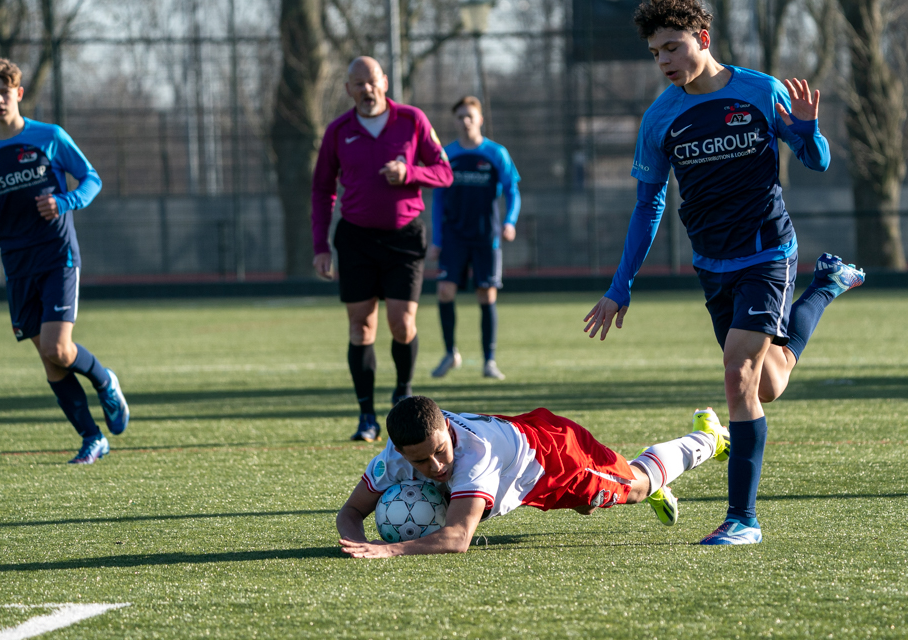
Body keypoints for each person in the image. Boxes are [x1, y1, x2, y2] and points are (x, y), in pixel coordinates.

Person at [582, 0, 865, 545]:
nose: (663, 59)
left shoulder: (760, 90)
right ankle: (827, 286)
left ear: (703, 39)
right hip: (712, 264)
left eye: (672, 46)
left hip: (768, 253)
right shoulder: (660, 118)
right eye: (655, 52)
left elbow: (817, 160)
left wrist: (807, 131)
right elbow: (648, 207)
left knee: (738, 376)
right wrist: (621, 287)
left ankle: (743, 520)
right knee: (767, 383)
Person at [0, 59, 128, 464]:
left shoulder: (49, 137)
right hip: (16, 261)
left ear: (19, 93)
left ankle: (105, 380)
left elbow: (91, 179)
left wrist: (64, 201)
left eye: (5, 90)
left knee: (58, 347)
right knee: (49, 359)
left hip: (57, 254)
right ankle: (92, 438)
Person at [337, 396, 730, 557]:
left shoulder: (476, 457)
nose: (437, 466)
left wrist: (388, 549)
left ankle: (709, 437)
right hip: (516, 452)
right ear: (401, 452)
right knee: (587, 506)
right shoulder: (394, 457)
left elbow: (457, 539)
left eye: (441, 451)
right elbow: (351, 511)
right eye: (422, 462)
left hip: (553, 457)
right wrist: (356, 545)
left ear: (445, 429)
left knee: (637, 487)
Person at [312, 57, 453, 443]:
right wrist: (320, 245)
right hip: (355, 240)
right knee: (361, 326)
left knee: (402, 323)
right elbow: (322, 189)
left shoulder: (412, 120)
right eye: (357, 83)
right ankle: (366, 417)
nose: (366, 89)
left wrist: (411, 173)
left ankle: (402, 395)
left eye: (372, 81)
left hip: (404, 238)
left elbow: (444, 172)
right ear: (348, 90)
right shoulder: (338, 131)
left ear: (384, 82)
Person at [428, 96, 521, 381]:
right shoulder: (447, 155)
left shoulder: (496, 153)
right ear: (454, 121)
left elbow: (512, 191)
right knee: (445, 291)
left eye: (470, 116)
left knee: (486, 294)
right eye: (460, 117)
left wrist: (509, 222)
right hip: (454, 237)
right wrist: (437, 238)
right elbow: (438, 199)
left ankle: (489, 361)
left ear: (480, 119)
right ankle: (449, 353)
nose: (465, 121)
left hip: (486, 237)